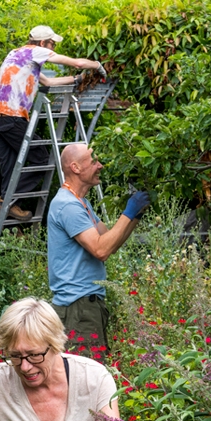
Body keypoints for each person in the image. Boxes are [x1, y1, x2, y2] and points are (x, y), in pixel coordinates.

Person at [0, 25, 105, 221]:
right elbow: (77, 62)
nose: (53, 48)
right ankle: (8, 201)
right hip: (12, 117)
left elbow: (49, 83)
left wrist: (76, 80)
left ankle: (8, 203)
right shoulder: (36, 51)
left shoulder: (18, 55)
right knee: (43, 160)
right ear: (42, 43)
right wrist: (97, 66)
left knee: (10, 168)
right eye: (52, 44)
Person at [47, 143, 149, 362]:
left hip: (86, 306)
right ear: (75, 167)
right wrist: (128, 211)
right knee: (86, 378)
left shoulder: (81, 203)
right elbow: (101, 249)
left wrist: (135, 215)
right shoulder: (68, 206)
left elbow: (110, 241)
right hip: (78, 309)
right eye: (93, 161)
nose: (100, 165)